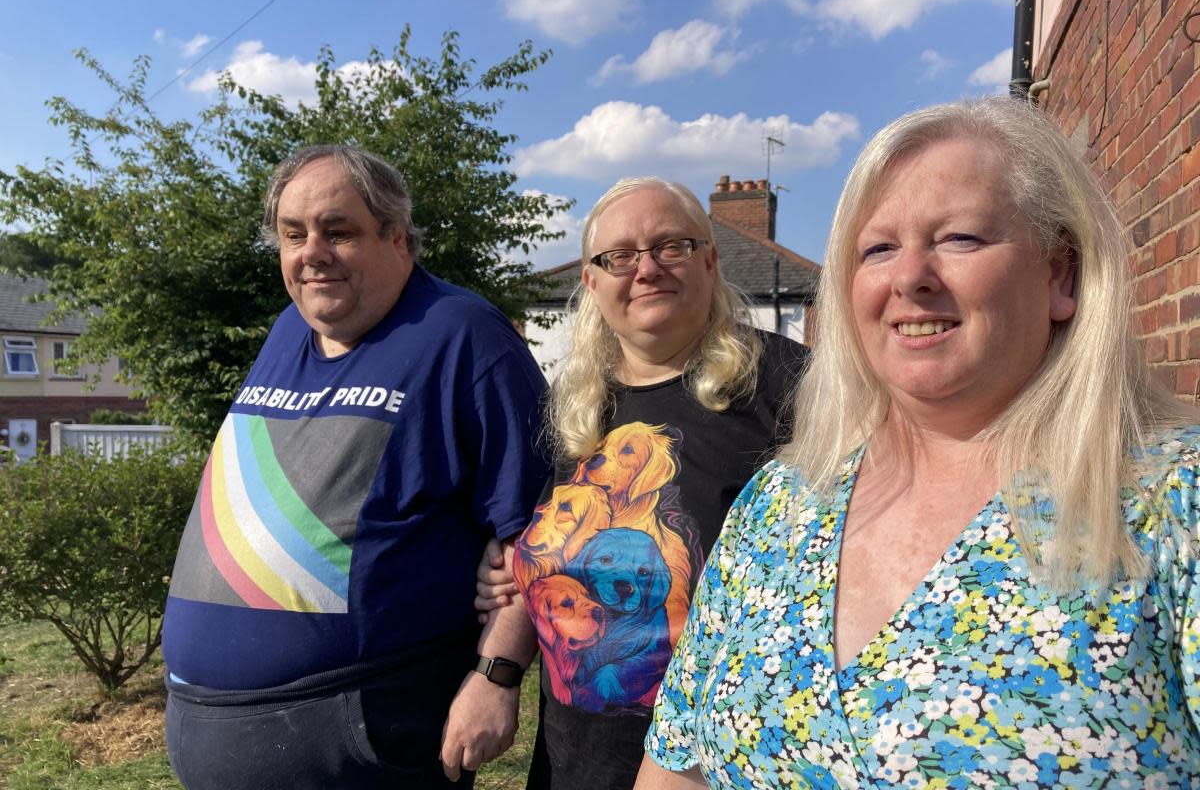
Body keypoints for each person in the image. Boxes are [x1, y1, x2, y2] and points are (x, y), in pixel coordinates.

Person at [637, 96, 1200, 789]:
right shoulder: (779, 506)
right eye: (877, 249)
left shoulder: (1173, 503)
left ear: (1061, 274)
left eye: (959, 238)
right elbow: (678, 768)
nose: (910, 277)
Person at [161, 144, 548, 789]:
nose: (312, 252)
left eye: (338, 232)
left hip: (362, 739)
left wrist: (495, 676)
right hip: (214, 729)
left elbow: (542, 525)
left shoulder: (463, 335)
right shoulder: (289, 329)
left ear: (398, 237)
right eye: (293, 234)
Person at [476, 177, 810, 789]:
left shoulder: (791, 387)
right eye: (619, 257)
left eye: (671, 247)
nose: (646, 269)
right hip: (574, 765)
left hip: (716, 768)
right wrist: (495, 673)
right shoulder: (576, 406)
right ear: (592, 282)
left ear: (710, 260)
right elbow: (534, 559)